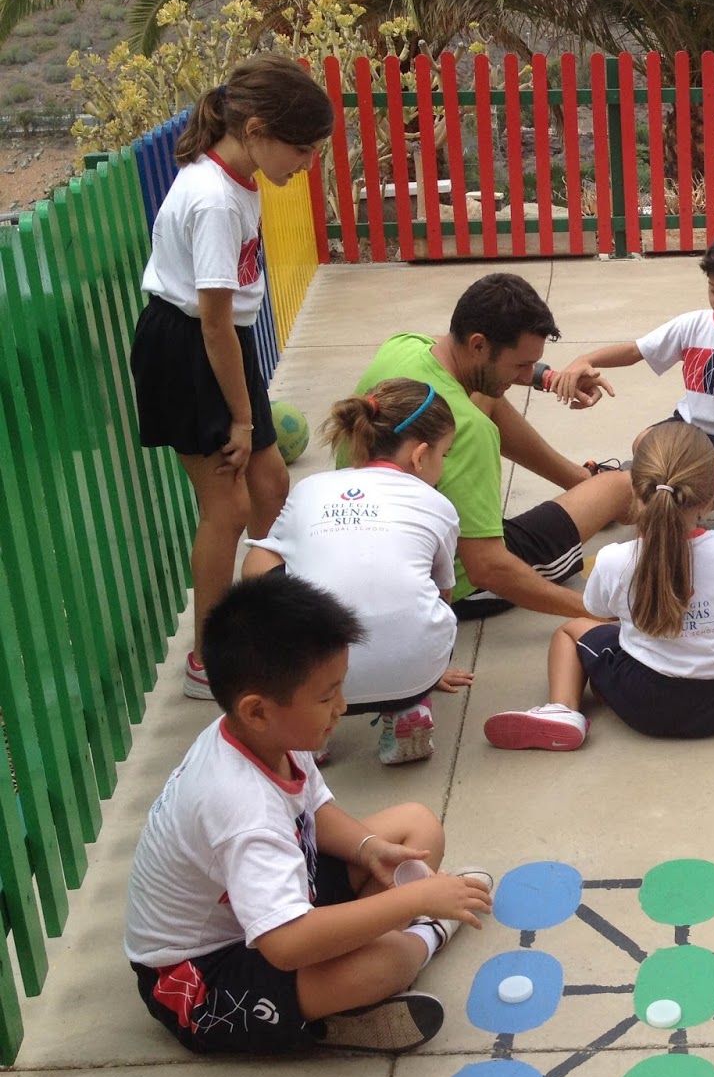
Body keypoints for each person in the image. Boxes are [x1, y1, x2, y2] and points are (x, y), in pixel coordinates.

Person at [123, 575, 494, 1055]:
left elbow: (315, 808)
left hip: (267, 901)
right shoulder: (241, 809)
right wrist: (416, 900)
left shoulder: (262, 734)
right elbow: (287, 945)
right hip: (202, 976)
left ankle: (340, 986)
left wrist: (368, 848)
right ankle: (426, 936)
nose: (341, 707)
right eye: (326, 696)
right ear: (257, 710)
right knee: (388, 961)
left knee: (415, 826)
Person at [129, 54, 335, 700]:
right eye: (300, 150)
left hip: (221, 342)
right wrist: (242, 418)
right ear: (254, 131)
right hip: (190, 349)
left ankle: (259, 618)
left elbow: (228, 322)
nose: (305, 165)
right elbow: (213, 322)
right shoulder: (214, 198)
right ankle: (208, 659)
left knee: (271, 482)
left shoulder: (238, 176)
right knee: (228, 505)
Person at [355, 273, 634, 621]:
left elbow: (459, 365)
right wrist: (595, 611)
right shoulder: (469, 430)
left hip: (382, 551)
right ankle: (656, 510)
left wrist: (548, 377)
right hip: (458, 586)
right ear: (478, 344)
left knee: (485, 392)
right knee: (620, 487)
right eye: (521, 364)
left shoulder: (401, 346)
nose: (525, 374)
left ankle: (581, 480)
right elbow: (488, 569)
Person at [482, 422, 714, 750]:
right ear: (710, 496)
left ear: (636, 490)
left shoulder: (615, 559)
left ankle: (562, 709)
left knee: (571, 631)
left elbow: (598, 611)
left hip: (643, 704)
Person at [242, 378, 473, 766]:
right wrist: (430, 666)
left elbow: (271, 571)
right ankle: (408, 709)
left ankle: (305, 729)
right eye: (444, 455)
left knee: (260, 560)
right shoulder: (437, 504)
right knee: (419, 585)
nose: (443, 465)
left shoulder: (310, 489)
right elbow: (442, 594)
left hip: (315, 679)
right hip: (412, 673)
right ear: (419, 457)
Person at [549, 221, 714, 537]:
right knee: (642, 442)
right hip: (686, 427)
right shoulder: (693, 326)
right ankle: (663, 472)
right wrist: (586, 359)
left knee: (687, 508)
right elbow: (636, 351)